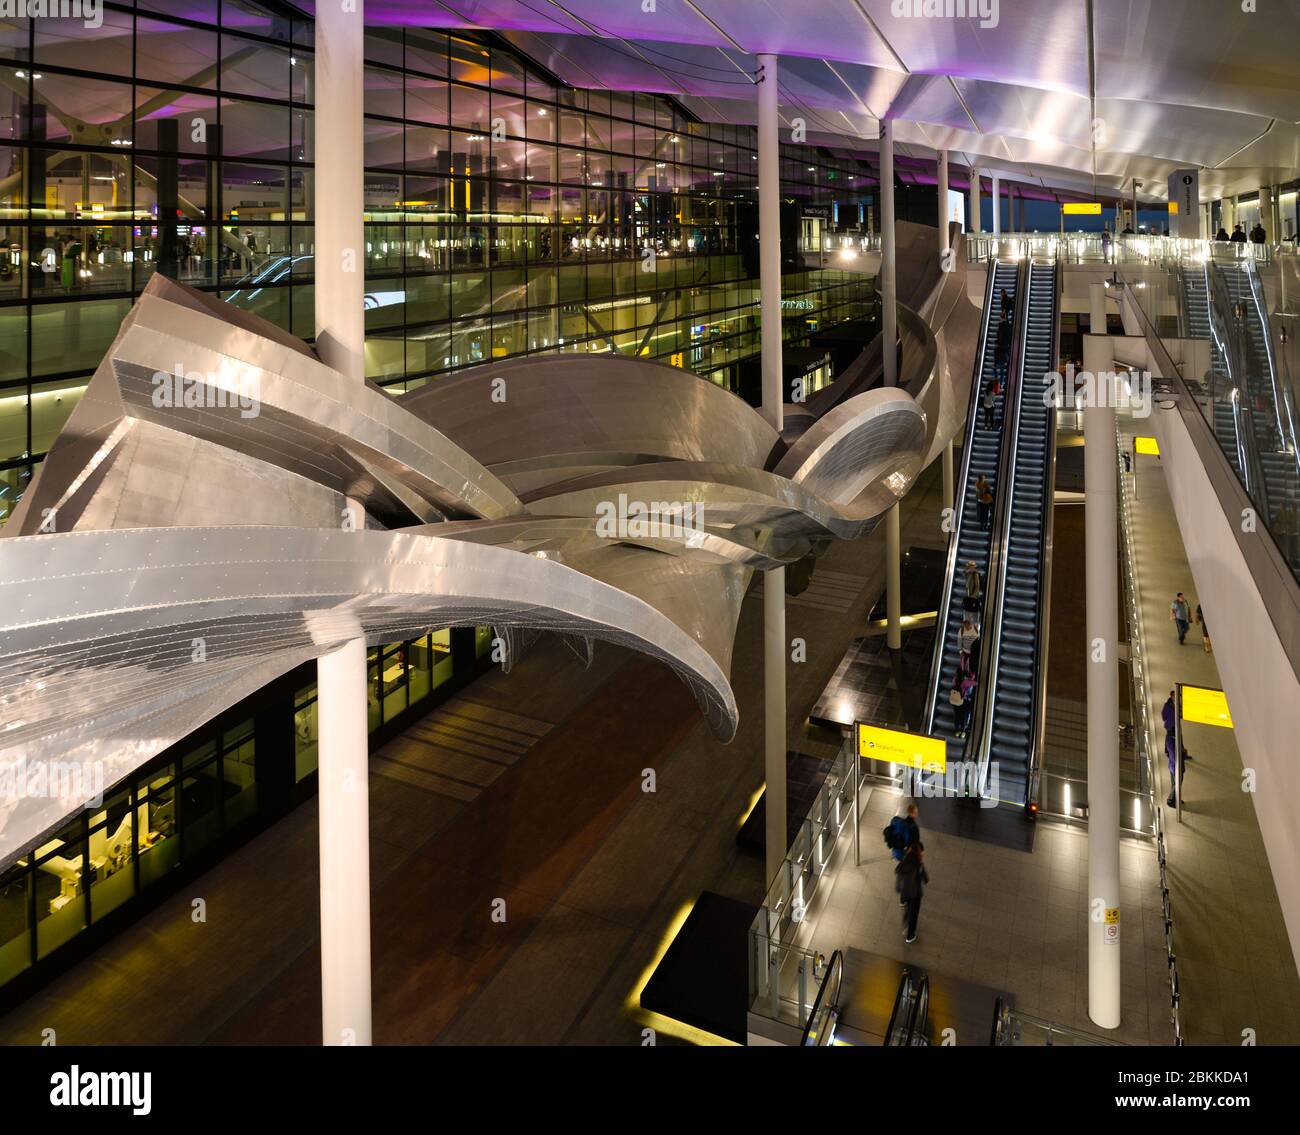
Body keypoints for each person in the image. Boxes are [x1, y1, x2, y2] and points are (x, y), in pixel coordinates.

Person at [896, 839, 930, 944]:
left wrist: (899, 889)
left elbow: (898, 876)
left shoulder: (903, 860)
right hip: (915, 894)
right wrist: (921, 865)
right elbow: (926, 879)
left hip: (905, 892)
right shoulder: (918, 865)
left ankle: (905, 925)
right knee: (914, 914)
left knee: (907, 909)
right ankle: (910, 936)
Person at [1166, 732, 1191, 808]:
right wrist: (1184, 754)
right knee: (1177, 784)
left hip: (1172, 766)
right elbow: (1176, 757)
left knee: (1175, 784)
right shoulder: (1173, 740)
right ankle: (1170, 800)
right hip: (1176, 768)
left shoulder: (1169, 738)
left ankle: (1175, 799)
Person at [993, 313, 1011, 382]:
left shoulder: (1005, 326)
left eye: (1000, 318)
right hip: (1002, 349)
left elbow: (1004, 337)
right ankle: (1000, 382)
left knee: (1000, 367)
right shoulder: (1003, 325)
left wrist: (999, 343)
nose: (999, 319)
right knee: (1000, 367)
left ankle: (1001, 382)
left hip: (1003, 349)